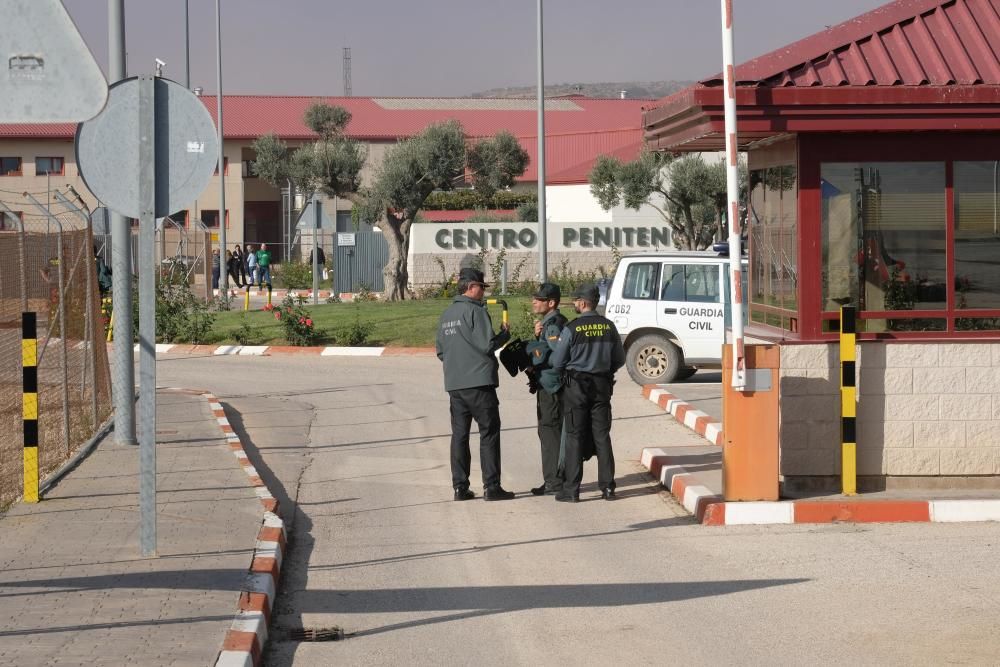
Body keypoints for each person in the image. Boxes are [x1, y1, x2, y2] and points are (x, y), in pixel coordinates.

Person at [435, 267, 514, 501]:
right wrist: (503, 336)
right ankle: (492, 486)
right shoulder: (476, 311)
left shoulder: (446, 315)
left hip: (455, 384)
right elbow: (487, 345)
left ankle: (460, 487)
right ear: (471, 287)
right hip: (479, 383)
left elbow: (441, 352)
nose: (483, 292)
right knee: (488, 432)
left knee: (459, 435)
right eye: (481, 287)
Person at [549, 283, 625, 502]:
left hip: (576, 388)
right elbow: (619, 359)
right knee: (602, 436)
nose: (574, 304)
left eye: (575, 300)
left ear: (583, 303)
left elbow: (557, 362)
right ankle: (608, 488)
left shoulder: (572, 328)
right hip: (602, 387)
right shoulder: (609, 326)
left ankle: (571, 490)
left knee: (574, 437)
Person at [527, 282, 568, 496]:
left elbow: (558, 355)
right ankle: (558, 477)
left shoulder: (552, 325)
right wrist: (536, 338)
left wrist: (534, 356)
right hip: (556, 384)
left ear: (551, 303)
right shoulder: (553, 322)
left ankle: (553, 481)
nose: (534, 302)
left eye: (539, 299)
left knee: (549, 431)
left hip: (551, 386)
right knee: (554, 431)